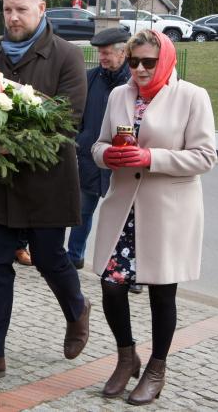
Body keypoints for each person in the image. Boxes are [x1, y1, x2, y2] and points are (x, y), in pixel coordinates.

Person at [0, 0, 90, 381]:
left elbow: (68, 121)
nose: (12, 17)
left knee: (50, 260)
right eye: (7, 9)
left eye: (21, 10)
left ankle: (76, 308)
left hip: (47, 182)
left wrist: (12, 144)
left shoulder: (66, 56)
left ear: (42, 8)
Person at [91, 29, 216, 405]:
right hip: (124, 207)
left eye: (148, 62)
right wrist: (106, 156)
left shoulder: (192, 96)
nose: (141, 70)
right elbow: (98, 144)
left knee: (163, 292)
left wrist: (152, 158)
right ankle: (127, 356)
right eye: (134, 62)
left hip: (167, 212)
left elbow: (205, 156)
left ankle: (157, 369)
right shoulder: (119, 94)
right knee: (111, 286)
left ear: (164, 60)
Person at [67, 27, 131, 270]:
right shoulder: (90, 78)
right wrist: (80, 139)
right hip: (90, 156)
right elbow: (76, 114)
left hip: (123, 160)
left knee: (124, 217)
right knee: (82, 210)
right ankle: (74, 256)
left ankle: (127, 268)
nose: (101, 58)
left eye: (106, 53)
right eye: (100, 53)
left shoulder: (133, 81)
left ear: (123, 52)